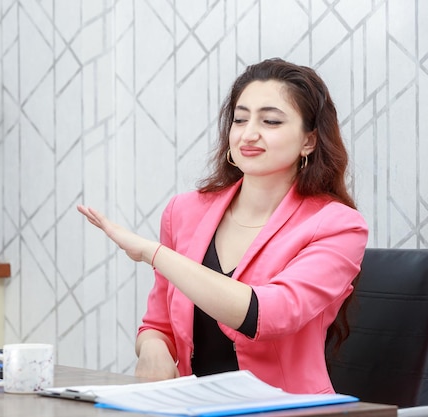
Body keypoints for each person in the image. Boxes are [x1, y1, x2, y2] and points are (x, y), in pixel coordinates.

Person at [77, 58, 368, 395]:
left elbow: (267, 314)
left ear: (309, 141)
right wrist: (153, 348)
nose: (249, 133)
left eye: (271, 121)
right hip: (192, 406)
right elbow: (158, 325)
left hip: (286, 410)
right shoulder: (184, 212)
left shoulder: (338, 225)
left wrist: (153, 253)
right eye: (240, 119)